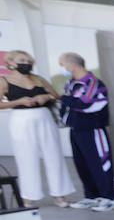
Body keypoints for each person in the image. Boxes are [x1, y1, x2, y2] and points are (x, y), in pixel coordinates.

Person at [0, 50, 75, 208]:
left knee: (54, 155)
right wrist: (18, 102)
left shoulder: (38, 79)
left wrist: (46, 97)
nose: (26, 64)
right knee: (26, 158)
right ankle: (29, 196)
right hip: (21, 119)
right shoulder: (4, 81)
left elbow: (56, 96)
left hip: (44, 117)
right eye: (22, 60)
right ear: (10, 62)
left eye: (29, 61)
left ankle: (60, 195)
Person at [58, 52, 114, 210]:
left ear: (72, 64)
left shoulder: (93, 83)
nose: (62, 68)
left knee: (100, 163)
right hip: (76, 129)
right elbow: (68, 105)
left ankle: (109, 198)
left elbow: (86, 104)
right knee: (82, 164)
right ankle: (92, 196)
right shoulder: (71, 84)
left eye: (62, 64)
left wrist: (63, 98)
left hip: (93, 130)